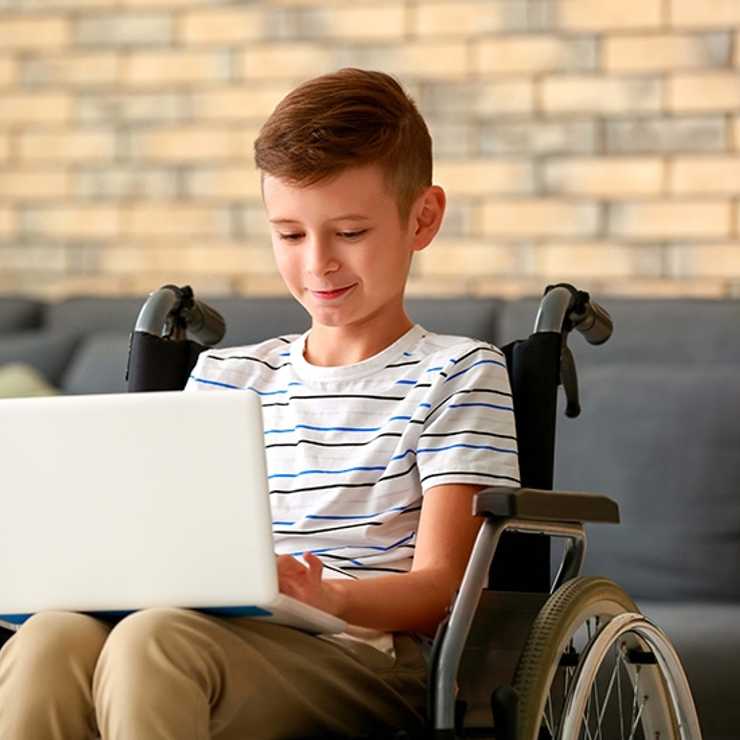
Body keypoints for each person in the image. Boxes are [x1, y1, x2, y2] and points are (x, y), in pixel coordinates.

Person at [0, 68, 519, 740]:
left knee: (152, 644)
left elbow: (446, 588)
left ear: (422, 218)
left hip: (366, 655)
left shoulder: (458, 373)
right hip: (214, 631)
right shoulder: (226, 375)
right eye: (291, 235)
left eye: (350, 233)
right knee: (50, 638)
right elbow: (170, 548)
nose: (318, 264)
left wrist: (325, 595)